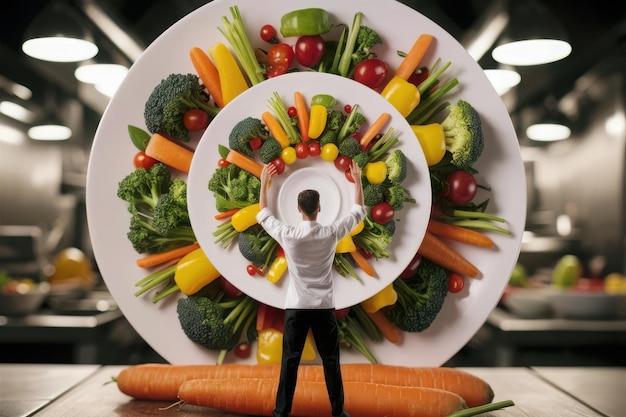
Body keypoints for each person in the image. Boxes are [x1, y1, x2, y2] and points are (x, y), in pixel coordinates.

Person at [257, 161, 366, 417]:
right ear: (319, 209)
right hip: (323, 307)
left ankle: (281, 412)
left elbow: (263, 215)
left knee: (289, 362)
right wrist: (358, 180)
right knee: (331, 361)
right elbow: (358, 211)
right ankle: (338, 412)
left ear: (298, 209)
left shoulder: (289, 235)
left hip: (296, 308)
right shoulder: (330, 234)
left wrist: (264, 184)